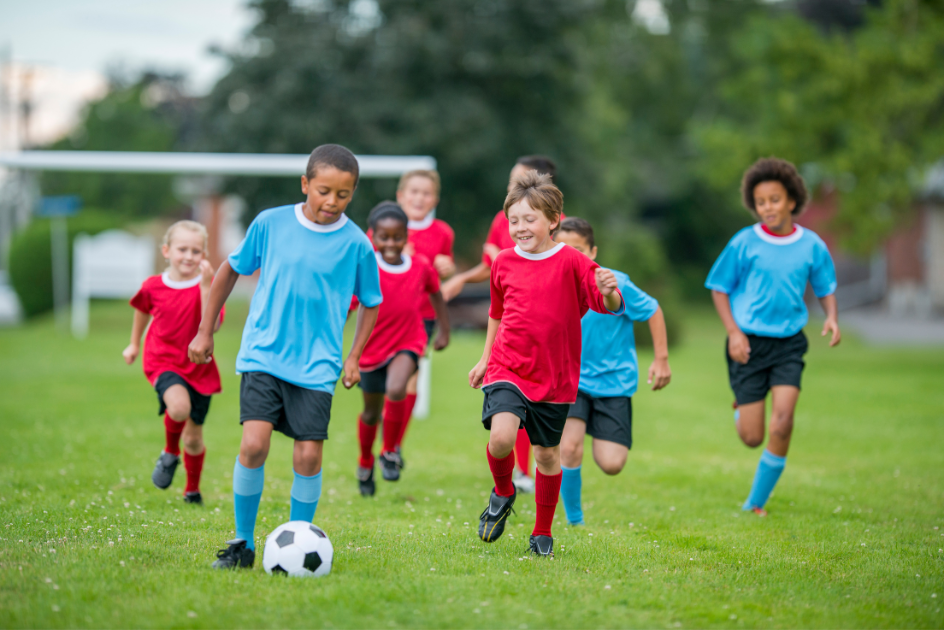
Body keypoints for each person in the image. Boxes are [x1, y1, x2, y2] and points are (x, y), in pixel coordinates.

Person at [188, 144, 383, 569]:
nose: (332, 201)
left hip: (318, 365)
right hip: (263, 354)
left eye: (344, 194)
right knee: (254, 444)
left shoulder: (356, 244)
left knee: (308, 456)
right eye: (324, 190)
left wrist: (353, 358)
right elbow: (229, 269)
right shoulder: (271, 223)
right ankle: (242, 544)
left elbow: (371, 300)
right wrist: (206, 330)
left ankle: (297, 545)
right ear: (305, 184)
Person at [469, 171, 624, 557]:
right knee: (502, 437)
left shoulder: (572, 261)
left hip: (555, 376)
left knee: (547, 456)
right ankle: (503, 491)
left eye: (529, 219)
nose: (520, 228)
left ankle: (542, 532)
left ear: (553, 219)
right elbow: (496, 312)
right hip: (508, 366)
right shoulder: (503, 262)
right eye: (514, 220)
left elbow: (611, 304)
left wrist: (609, 292)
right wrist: (485, 358)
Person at [705, 156, 840, 516]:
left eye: (775, 200)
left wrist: (832, 318)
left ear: (792, 200)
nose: (768, 208)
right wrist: (733, 332)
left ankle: (755, 503)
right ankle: (740, 410)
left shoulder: (812, 245)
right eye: (761, 202)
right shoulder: (743, 242)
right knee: (752, 438)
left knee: (783, 421)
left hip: (789, 344)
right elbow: (719, 288)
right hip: (747, 343)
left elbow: (825, 285)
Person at [443, 155, 561, 494]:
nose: (513, 188)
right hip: (510, 329)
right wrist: (463, 279)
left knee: (539, 425)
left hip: (545, 339)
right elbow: (494, 268)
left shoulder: (557, 227)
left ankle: (527, 474)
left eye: (520, 180)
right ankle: (515, 476)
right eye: (512, 181)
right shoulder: (503, 218)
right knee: (509, 407)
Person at [553, 217, 672, 526]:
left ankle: (599, 433)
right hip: (572, 380)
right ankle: (574, 520)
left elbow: (654, 310)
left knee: (612, 464)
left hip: (614, 382)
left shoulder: (614, 281)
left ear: (592, 252)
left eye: (578, 249)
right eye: (563, 248)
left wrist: (661, 359)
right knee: (568, 447)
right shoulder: (553, 281)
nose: (571, 255)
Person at [123, 220, 223, 505]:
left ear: (204, 255)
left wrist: (206, 287)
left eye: (196, 251)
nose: (189, 256)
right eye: (182, 249)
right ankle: (170, 452)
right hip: (162, 361)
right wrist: (134, 343)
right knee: (179, 408)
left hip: (199, 366)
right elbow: (141, 311)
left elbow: (212, 326)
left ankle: (192, 490)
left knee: (193, 438)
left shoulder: (210, 286)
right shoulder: (154, 286)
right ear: (167, 251)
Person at [355, 201, 450, 496]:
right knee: (371, 412)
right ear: (373, 237)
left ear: (406, 236)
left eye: (397, 237)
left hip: (408, 340)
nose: (391, 243)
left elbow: (436, 295)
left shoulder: (420, 266)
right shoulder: (366, 266)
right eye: (384, 237)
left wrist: (444, 329)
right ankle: (365, 460)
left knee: (397, 389)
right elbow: (349, 303)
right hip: (372, 348)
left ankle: (389, 451)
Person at [367, 170, 455, 467]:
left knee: (410, 383)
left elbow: (441, 271)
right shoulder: (382, 228)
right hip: (383, 319)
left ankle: (393, 447)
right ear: (401, 196)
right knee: (382, 391)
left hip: (421, 317)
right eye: (413, 192)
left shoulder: (443, 232)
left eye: (426, 193)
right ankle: (381, 439)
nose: (419, 198)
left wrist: (447, 268)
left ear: (436, 200)